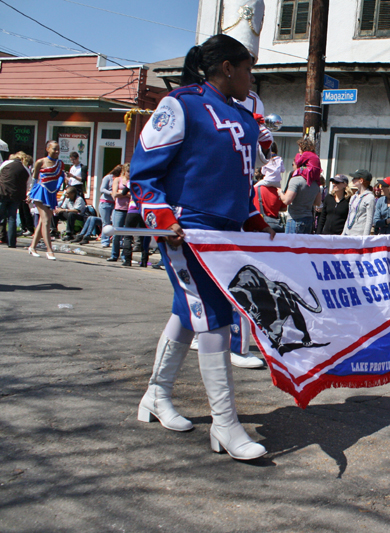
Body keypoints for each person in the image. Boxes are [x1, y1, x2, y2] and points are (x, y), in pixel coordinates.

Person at [130, 34, 275, 461]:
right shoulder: (182, 104)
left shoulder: (245, 117)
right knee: (213, 316)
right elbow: (145, 169)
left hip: (227, 234)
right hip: (187, 230)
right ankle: (225, 425)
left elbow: (239, 179)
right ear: (227, 68)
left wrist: (250, 215)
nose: (252, 77)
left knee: (188, 312)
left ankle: (155, 395)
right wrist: (160, 215)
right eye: (248, 68)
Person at [27, 140, 65, 260]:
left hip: (51, 194)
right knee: (46, 220)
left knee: (43, 222)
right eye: (54, 149)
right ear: (47, 149)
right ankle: (49, 250)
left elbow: (61, 177)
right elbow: (34, 179)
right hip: (40, 192)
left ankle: (32, 247)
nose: (57, 151)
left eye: (58, 149)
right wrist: (29, 194)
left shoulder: (60, 163)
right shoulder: (40, 162)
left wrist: (60, 185)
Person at [280, 140, 322, 234]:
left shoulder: (296, 180)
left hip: (295, 219)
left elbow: (287, 200)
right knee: (303, 248)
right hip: (308, 219)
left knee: (291, 247)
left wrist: (280, 192)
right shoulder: (315, 183)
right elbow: (317, 202)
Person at [0, 151, 32, 248]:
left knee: (1, 216)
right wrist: (27, 195)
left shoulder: (6, 163)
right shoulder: (26, 169)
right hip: (16, 196)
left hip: (3, 192)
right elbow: (29, 184)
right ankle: (11, 242)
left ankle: (4, 237)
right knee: (12, 218)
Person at [254, 143, 285, 232]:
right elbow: (283, 208)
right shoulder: (279, 191)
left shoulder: (257, 189)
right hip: (275, 226)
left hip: (260, 226)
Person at [106, 164, 130, 262]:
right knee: (116, 233)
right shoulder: (118, 180)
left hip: (129, 210)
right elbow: (114, 194)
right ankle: (114, 254)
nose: (130, 173)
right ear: (124, 171)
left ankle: (125, 256)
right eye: (128, 171)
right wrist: (126, 193)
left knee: (127, 235)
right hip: (119, 209)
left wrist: (123, 193)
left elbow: (135, 193)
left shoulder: (132, 181)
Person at [342, 169, 376, 236]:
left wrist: (365, 237)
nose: (352, 180)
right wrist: (343, 233)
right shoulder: (353, 197)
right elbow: (349, 216)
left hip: (359, 234)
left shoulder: (370, 197)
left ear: (361, 180)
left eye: (355, 178)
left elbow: (369, 219)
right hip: (348, 233)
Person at [98, 166, 120, 247]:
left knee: (115, 223)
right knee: (106, 223)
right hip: (105, 202)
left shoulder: (120, 180)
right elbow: (102, 189)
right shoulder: (108, 177)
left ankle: (116, 242)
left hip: (115, 203)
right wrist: (111, 192)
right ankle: (105, 241)